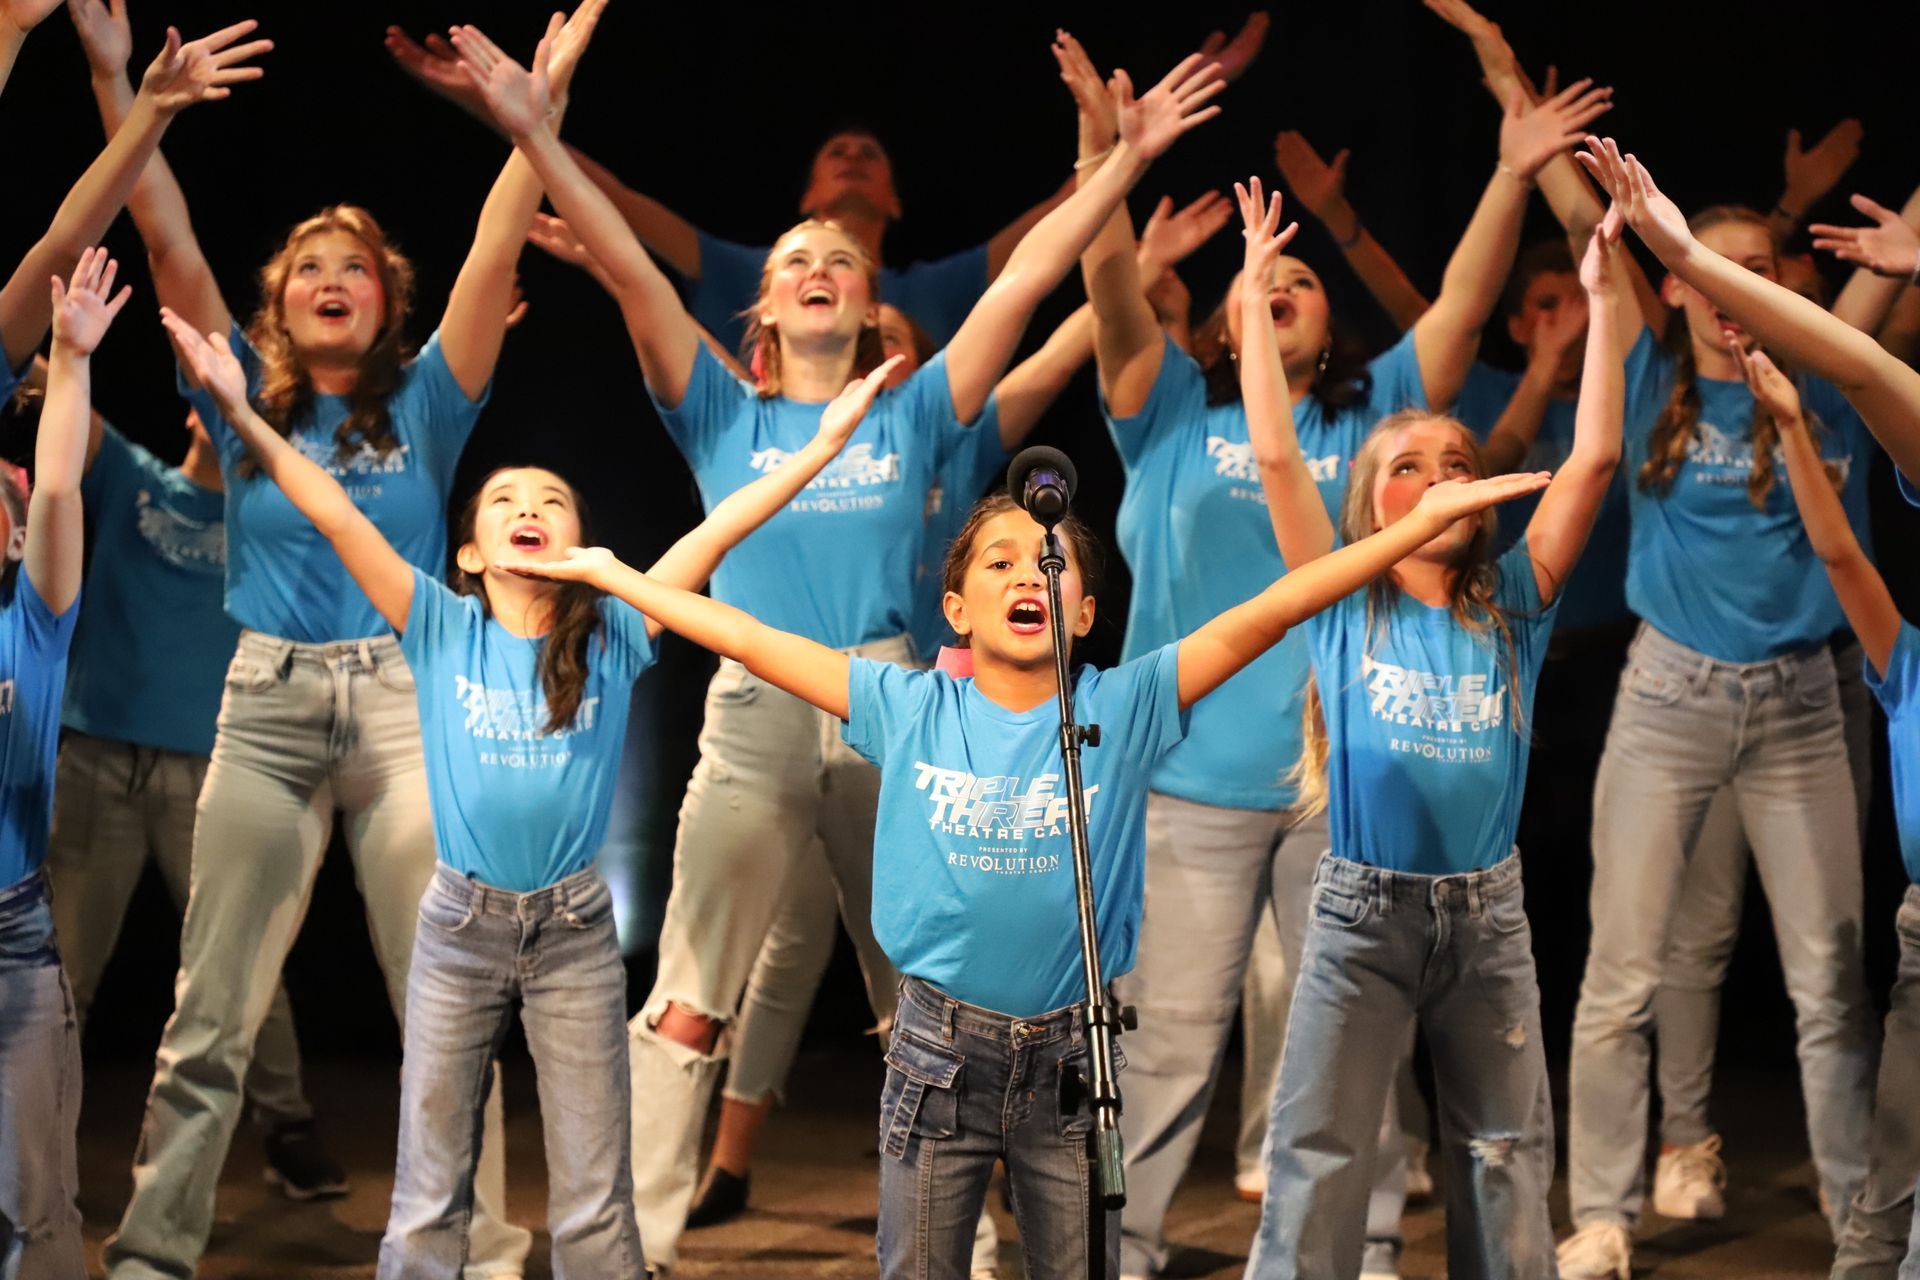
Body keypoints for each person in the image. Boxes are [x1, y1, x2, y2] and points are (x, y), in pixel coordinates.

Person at [453, 22, 1228, 1268]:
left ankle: (974, 1238)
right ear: (763, 308)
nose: (818, 266)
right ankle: (627, 1246)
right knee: (691, 995)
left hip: (897, 712)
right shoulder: (720, 404)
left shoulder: (915, 408)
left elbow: (1026, 285)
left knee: (935, 995)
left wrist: (1119, 164)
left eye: (840, 261)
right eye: (794, 260)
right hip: (755, 713)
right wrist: (537, 133)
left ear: (872, 304)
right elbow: (633, 270)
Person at [503, 417, 1547, 1280]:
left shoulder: (1126, 704)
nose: (1026, 571)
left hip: (1072, 1062)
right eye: (997, 560)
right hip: (936, 1055)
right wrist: (614, 574)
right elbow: (741, 635)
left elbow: (1280, 606)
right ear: (957, 606)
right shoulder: (906, 704)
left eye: (1049, 562)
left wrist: (1418, 527)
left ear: (1083, 608)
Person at [164, 217, 901, 1273]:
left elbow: (724, 524)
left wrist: (822, 448)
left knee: (595, 1194)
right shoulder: (436, 621)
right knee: (427, 1189)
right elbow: (333, 512)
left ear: (580, 544)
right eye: (504, 499)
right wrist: (239, 411)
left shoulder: (616, 631)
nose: (528, 508)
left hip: (573, 932)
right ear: (468, 548)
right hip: (460, 929)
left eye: (550, 501)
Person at [1061, 21, 1610, 1274]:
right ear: (1226, 319)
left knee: (1356, 1057)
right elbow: (1108, 285)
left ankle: (1363, 1252)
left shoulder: (1384, 432)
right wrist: (1103, 152)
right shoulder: (1164, 404)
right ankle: (1117, 1251)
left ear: (1329, 320)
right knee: (1165, 1035)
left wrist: (1513, 169)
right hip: (1192, 778)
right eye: (1264, 282)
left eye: (1303, 280)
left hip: (1343, 787)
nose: (1284, 286)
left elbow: (1463, 302)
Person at [91, 6, 611, 1275]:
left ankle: (478, 1249)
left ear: (389, 301)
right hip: (264, 709)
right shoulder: (235, 390)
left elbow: (495, 244)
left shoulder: (430, 397)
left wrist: (533, 117)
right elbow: (161, 229)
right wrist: (118, 81)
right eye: (309, 265)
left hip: (405, 710)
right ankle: (152, 1253)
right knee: (210, 1009)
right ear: (275, 300)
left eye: (358, 266)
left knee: (450, 997)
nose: (331, 278)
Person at [1236, 160, 1623, 1275]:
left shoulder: (1513, 602)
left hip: (1487, 918)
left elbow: (1594, 455)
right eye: (1409, 469)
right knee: (1317, 1147)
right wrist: (1253, 297)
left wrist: (1605, 301)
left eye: (1459, 462)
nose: (1444, 479)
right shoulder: (1342, 597)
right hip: (1361, 914)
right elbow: (1275, 451)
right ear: (1371, 507)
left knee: (1504, 1151)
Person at [1555, 138, 1894, 1279]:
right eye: (1715, 267)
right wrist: (1518, 112)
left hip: (1803, 704)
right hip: (1669, 697)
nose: (1736, 287)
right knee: (1623, 971)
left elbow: (1866, 319)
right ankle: (1603, 1212)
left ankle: (1860, 1214)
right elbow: (1589, 232)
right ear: (1677, 282)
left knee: (1830, 983)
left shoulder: (1822, 386)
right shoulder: (1652, 371)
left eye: (1762, 269)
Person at [384, 13, 1270, 352]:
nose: (852, 156)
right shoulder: (747, 276)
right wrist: (514, 120)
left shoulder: (938, 293)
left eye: (870, 155)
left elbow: (1056, 228)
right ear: (803, 202)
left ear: (894, 202)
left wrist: (1133, 142)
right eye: (836, 151)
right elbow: (618, 206)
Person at [24, 350, 346, 1200]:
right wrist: (63, 341)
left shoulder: (270, 517)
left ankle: (288, 1126)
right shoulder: (132, 473)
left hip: (213, 766)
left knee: (241, 958)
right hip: (98, 759)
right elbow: (49, 384)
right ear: (188, 407)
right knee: (61, 970)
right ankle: (27, 1149)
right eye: (202, 388)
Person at [0, 246, 127, 1280]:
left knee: (33, 1203)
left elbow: (56, 488)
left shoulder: (30, 628)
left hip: (12, 940)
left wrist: (71, 360)